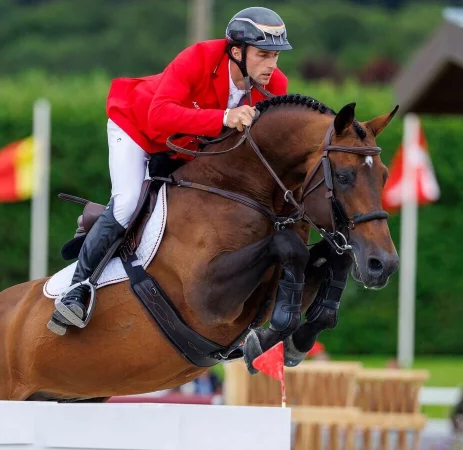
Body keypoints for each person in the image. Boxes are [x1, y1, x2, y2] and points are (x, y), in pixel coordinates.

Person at [48, 7, 291, 335]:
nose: (271, 65)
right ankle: (77, 290)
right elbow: (159, 115)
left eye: (275, 55)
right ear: (237, 51)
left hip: (184, 148)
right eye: (263, 55)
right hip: (136, 128)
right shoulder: (198, 58)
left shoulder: (275, 85)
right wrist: (223, 117)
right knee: (127, 202)